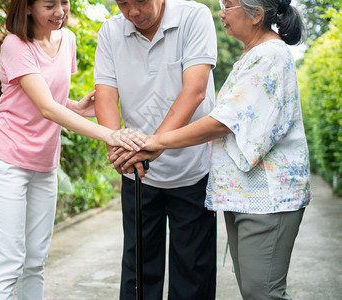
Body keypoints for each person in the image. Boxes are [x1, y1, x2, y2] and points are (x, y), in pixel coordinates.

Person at [128, 0, 311, 298]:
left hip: (270, 194)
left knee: (263, 292)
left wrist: (156, 141)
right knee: (255, 290)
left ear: (256, 15)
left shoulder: (269, 55)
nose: (221, 13)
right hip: (250, 196)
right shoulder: (253, 55)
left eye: (228, 5)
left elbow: (222, 122)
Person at [0, 0, 145, 299]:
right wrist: (112, 135)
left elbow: (49, 96)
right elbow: (45, 107)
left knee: (35, 261)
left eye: (64, 2)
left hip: (44, 163)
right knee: (9, 261)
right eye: (48, 5)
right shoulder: (16, 44)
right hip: (6, 160)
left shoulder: (67, 39)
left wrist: (77, 107)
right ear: (27, 8)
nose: (59, 11)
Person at [94, 0, 218, 298]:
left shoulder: (194, 16)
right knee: (138, 274)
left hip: (193, 170)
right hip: (136, 170)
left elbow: (195, 90)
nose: (133, 12)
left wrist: (155, 144)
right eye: (123, 3)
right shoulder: (110, 32)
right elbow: (106, 96)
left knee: (192, 275)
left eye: (140, 2)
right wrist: (117, 144)